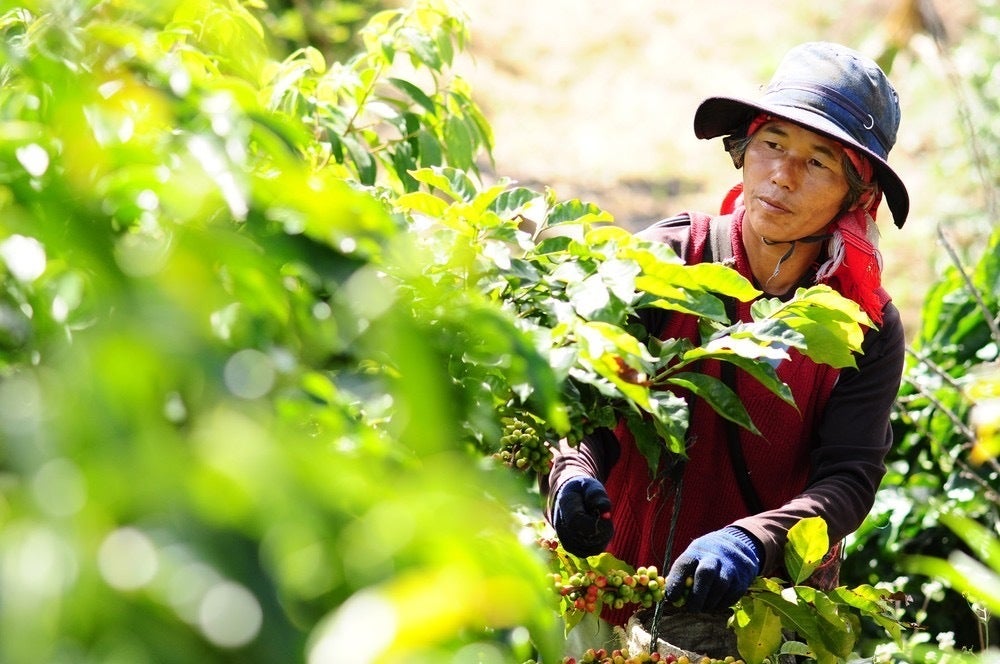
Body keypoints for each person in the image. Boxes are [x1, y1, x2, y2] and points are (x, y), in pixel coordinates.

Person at [545, 41, 909, 630]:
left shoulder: (865, 326)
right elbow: (591, 399)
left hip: (747, 614)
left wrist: (752, 542)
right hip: (609, 584)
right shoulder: (668, 261)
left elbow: (849, 477)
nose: (782, 176)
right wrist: (573, 473)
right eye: (772, 145)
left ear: (858, 194)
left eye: (818, 162)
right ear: (742, 148)